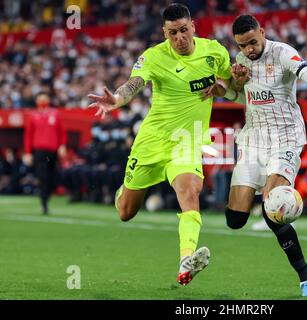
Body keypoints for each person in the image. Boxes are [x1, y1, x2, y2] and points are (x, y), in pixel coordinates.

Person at [87, 3, 242, 286]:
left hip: (187, 141)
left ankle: (186, 260)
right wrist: (117, 100)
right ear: (164, 33)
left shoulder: (215, 52)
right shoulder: (154, 57)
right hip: (153, 141)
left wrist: (227, 87)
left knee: (190, 191)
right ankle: (125, 190)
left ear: (193, 26)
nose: (180, 38)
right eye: (173, 33)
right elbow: (133, 83)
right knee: (126, 212)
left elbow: (234, 87)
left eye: (184, 30)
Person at [209, 15, 307, 297]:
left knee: (273, 211)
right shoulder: (241, 61)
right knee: (235, 220)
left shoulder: (283, 53)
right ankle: (268, 195)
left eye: (253, 43)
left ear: (263, 32)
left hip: (285, 139)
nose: (249, 50)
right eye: (243, 45)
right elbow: (238, 96)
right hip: (254, 140)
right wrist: (225, 89)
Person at [23, 92, 67, 214]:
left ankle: (47, 197)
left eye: (44, 98)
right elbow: (28, 135)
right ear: (37, 101)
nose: (43, 101)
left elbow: (61, 132)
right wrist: (28, 152)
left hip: (52, 151)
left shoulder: (55, 113)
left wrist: (62, 145)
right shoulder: (33, 115)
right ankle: (44, 203)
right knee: (42, 177)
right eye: (40, 99)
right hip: (39, 151)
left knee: (53, 177)